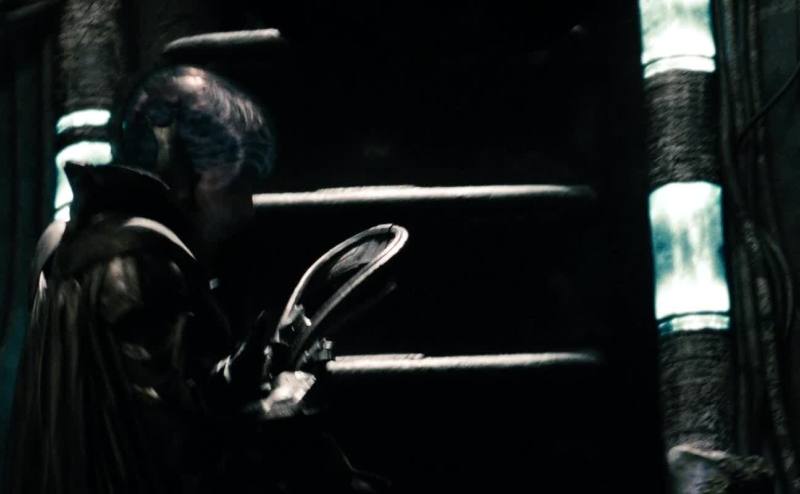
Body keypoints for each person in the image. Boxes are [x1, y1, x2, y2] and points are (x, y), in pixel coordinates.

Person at [2, 65, 280, 494]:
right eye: (236, 187)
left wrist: (231, 379)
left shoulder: (73, 242)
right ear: (189, 177)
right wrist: (270, 407)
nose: (244, 209)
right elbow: (175, 452)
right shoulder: (140, 266)